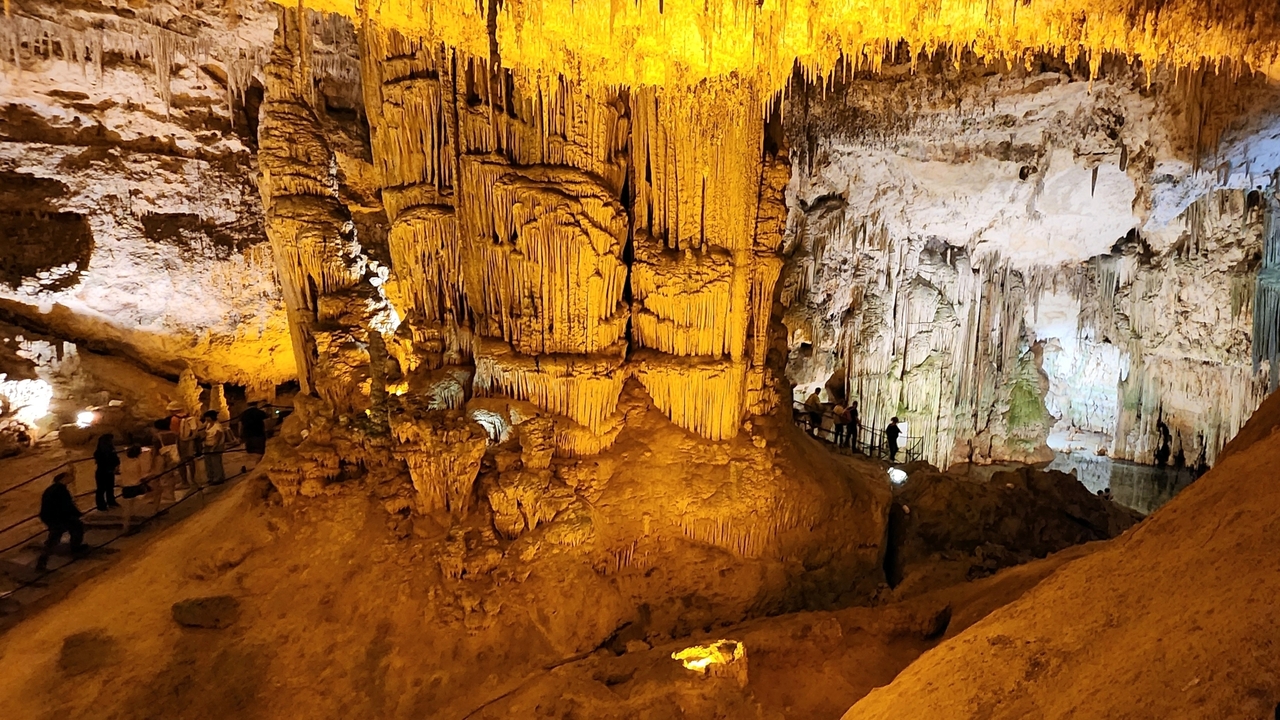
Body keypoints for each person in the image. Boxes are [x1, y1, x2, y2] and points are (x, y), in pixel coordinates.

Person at [36, 472, 86, 571]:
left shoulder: (52, 489)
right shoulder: (61, 490)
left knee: (70, 529)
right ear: (64, 478)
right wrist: (78, 514)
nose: (72, 478)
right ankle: (75, 547)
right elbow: (66, 505)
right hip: (57, 517)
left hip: (51, 516)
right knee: (59, 535)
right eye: (69, 476)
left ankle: (75, 547)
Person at [119, 444, 158, 533]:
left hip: (126, 487)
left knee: (127, 509)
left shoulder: (123, 462)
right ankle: (154, 512)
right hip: (137, 487)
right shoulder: (137, 462)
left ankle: (125, 527)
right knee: (155, 492)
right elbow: (142, 475)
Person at [168, 402, 200, 487]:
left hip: (181, 441)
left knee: (180, 461)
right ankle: (193, 479)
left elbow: (175, 432)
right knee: (191, 460)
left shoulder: (174, 419)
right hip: (190, 440)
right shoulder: (189, 417)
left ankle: (184, 481)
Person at [92, 433, 121, 511]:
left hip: (109, 471)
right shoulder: (100, 453)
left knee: (110, 488)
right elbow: (108, 461)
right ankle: (101, 505)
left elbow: (116, 459)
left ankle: (111, 501)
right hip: (102, 472)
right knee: (101, 489)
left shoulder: (110, 450)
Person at [201, 411, 228, 486]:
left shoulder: (217, 426)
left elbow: (217, 439)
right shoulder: (208, 424)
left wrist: (214, 447)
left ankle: (218, 478)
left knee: (215, 462)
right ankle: (211, 477)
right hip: (208, 444)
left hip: (215, 446)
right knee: (208, 462)